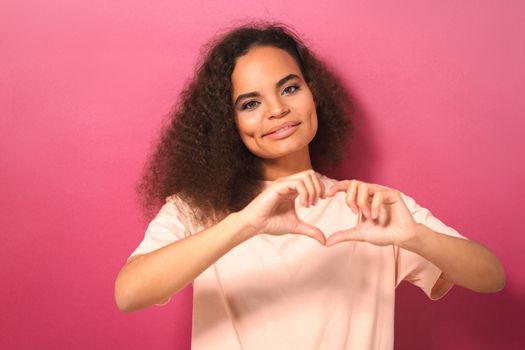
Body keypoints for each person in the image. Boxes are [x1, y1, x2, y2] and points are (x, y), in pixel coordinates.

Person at [114, 22, 505, 349]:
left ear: (312, 93)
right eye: (250, 103)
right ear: (227, 123)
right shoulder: (196, 208)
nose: (277, 110)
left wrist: (416, 236)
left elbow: (491, 277)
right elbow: (129, 293)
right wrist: (244, 224)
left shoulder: (371, 207)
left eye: (289, 88)